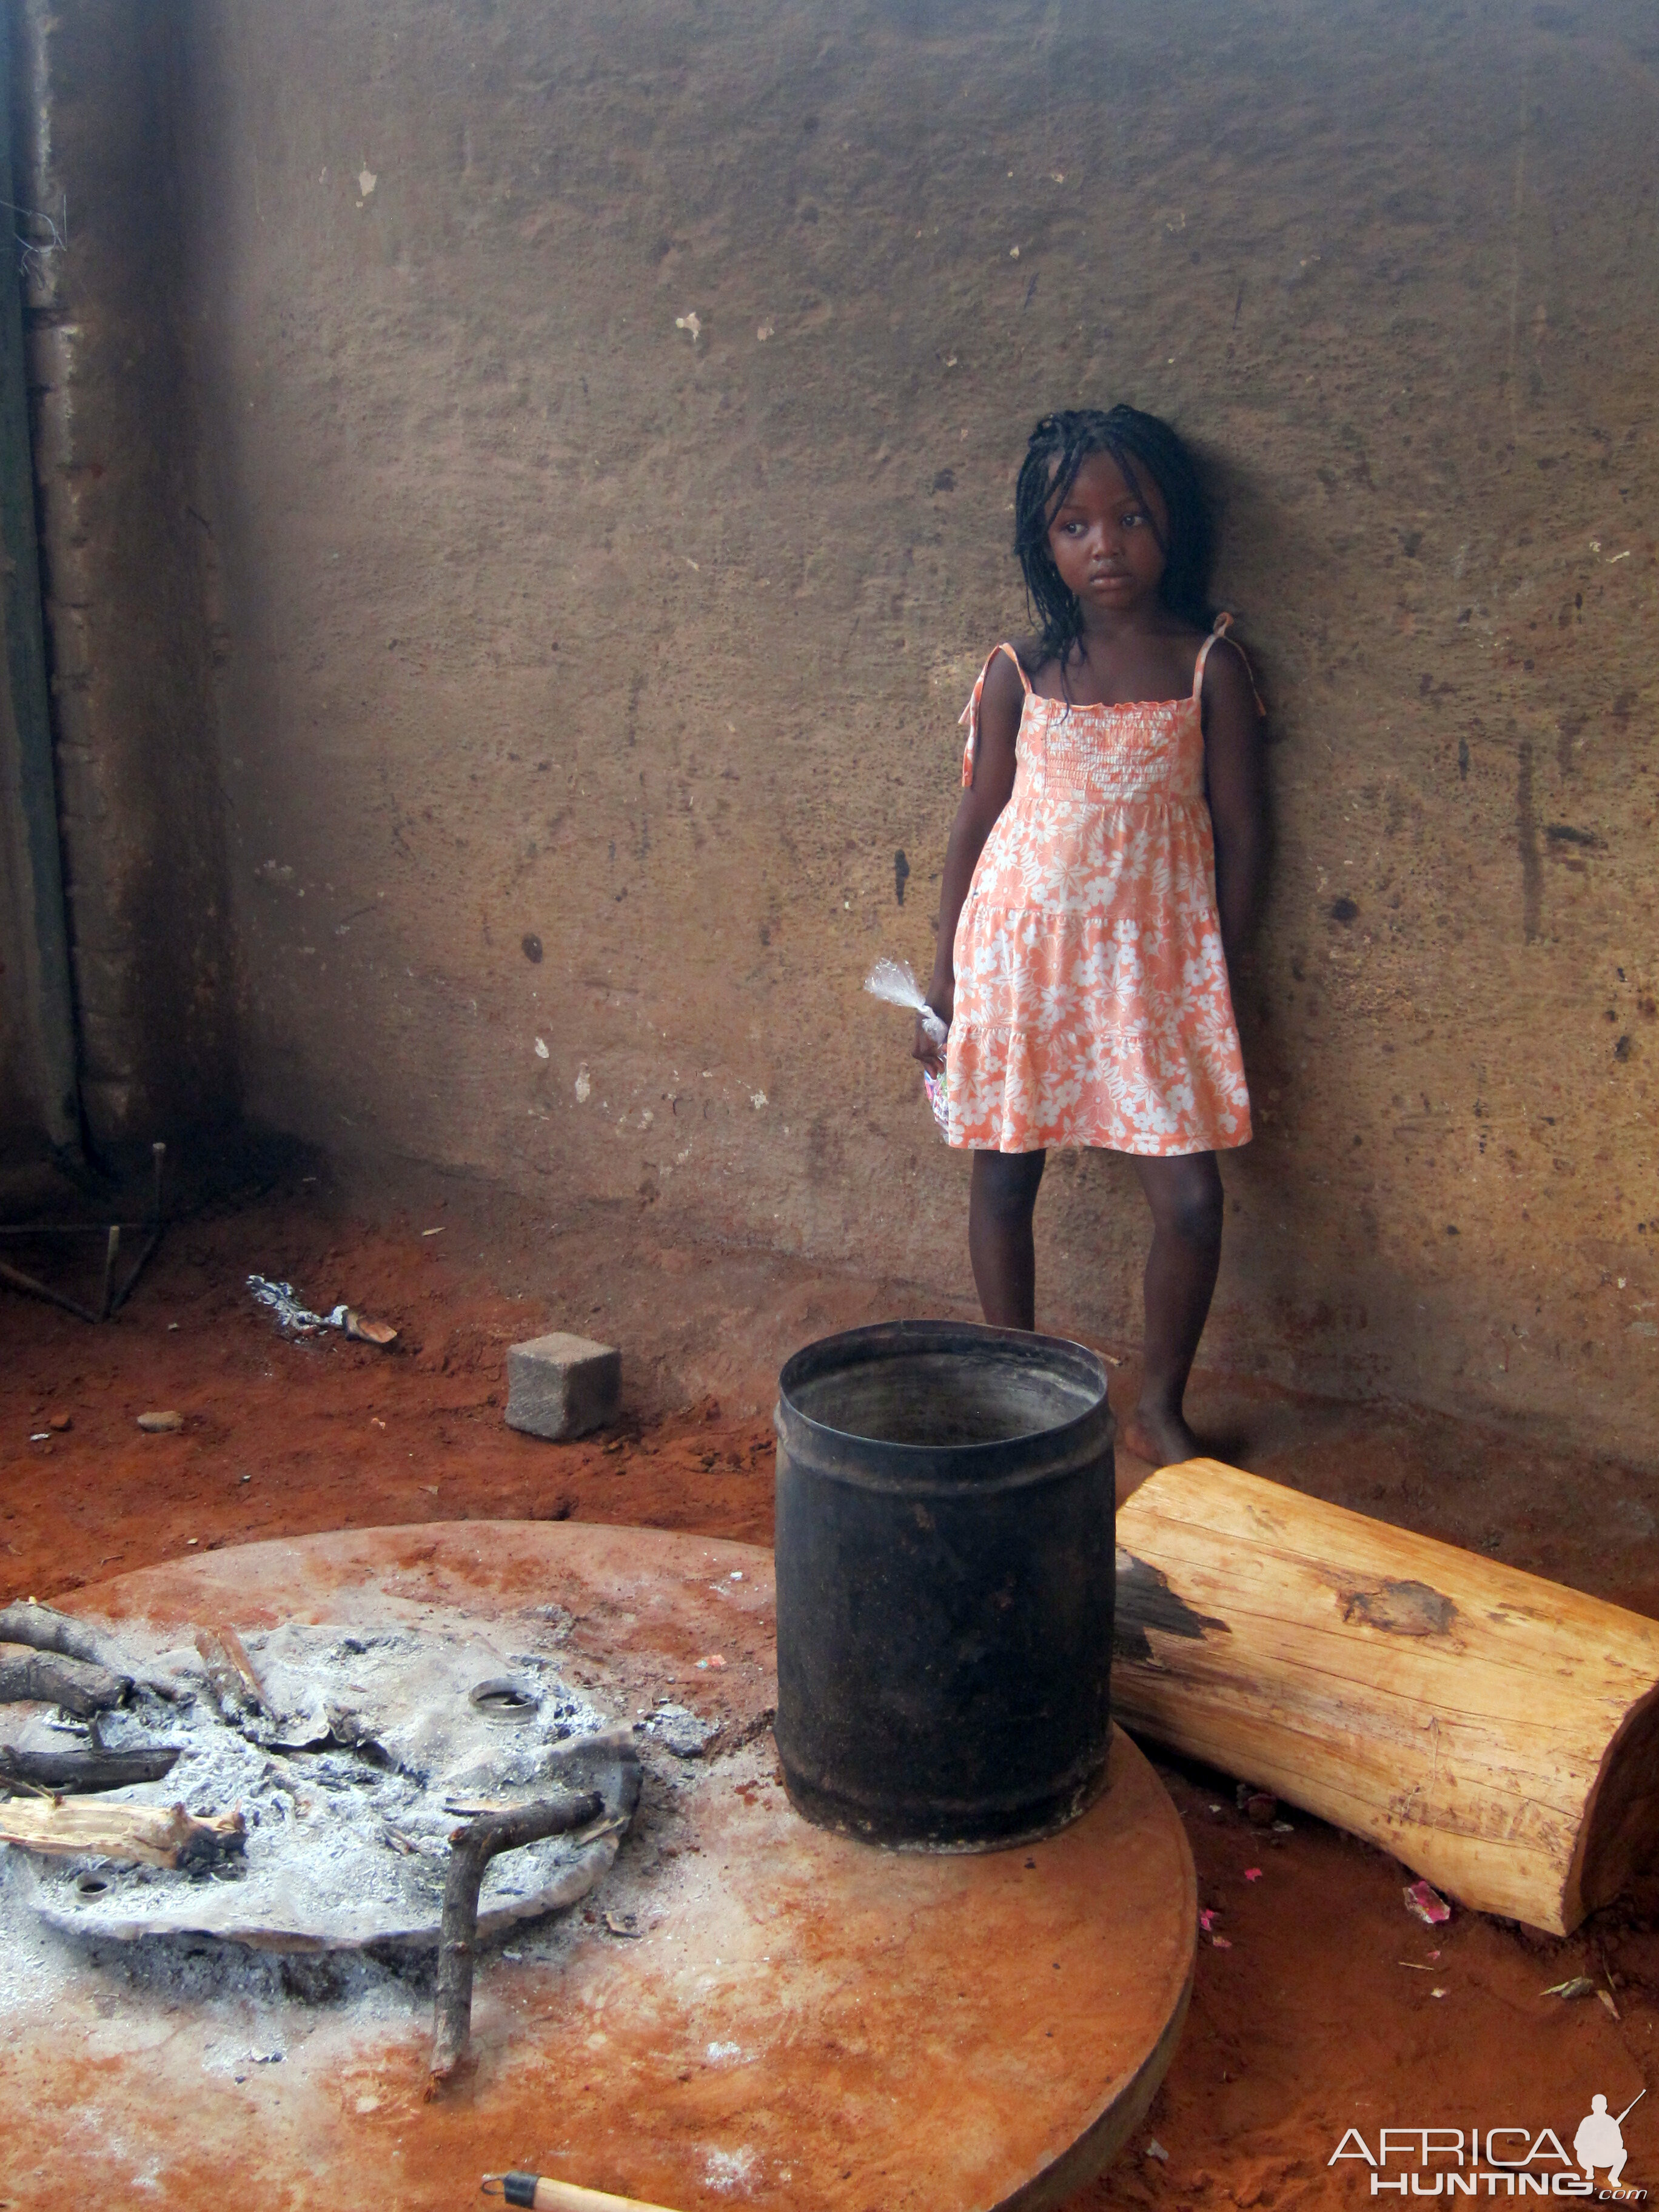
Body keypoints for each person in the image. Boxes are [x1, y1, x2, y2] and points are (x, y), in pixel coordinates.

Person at [914, 405, 1267, 1469]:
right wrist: (944, 986)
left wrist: (1224, 979)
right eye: (1073, 526)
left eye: (1131, 518)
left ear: (1176, 525)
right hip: (1019, 962)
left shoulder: (1210, 667)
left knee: (1193, 1200)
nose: (1104, 546)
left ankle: (1158, 1405)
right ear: (1043, 542)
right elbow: (975, 830)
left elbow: (1248, 838)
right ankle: (1015, 1381)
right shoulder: (1018, 672)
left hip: (1152, 976)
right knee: (1006, 1178)